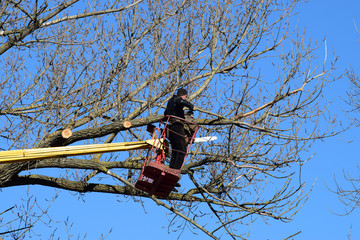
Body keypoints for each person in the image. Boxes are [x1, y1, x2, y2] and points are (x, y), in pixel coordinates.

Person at [164, 88, 194, 169]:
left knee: (175, 149)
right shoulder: (177, 99)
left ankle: (171, 168)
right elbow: (181, 101)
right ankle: (176, 169)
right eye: (186, 96)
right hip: (177, 125)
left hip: (170, 128)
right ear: (183, 95)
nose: (186, 98)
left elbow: (165, 113)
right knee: (182, 149)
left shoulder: (170, 102)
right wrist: (191, 106)